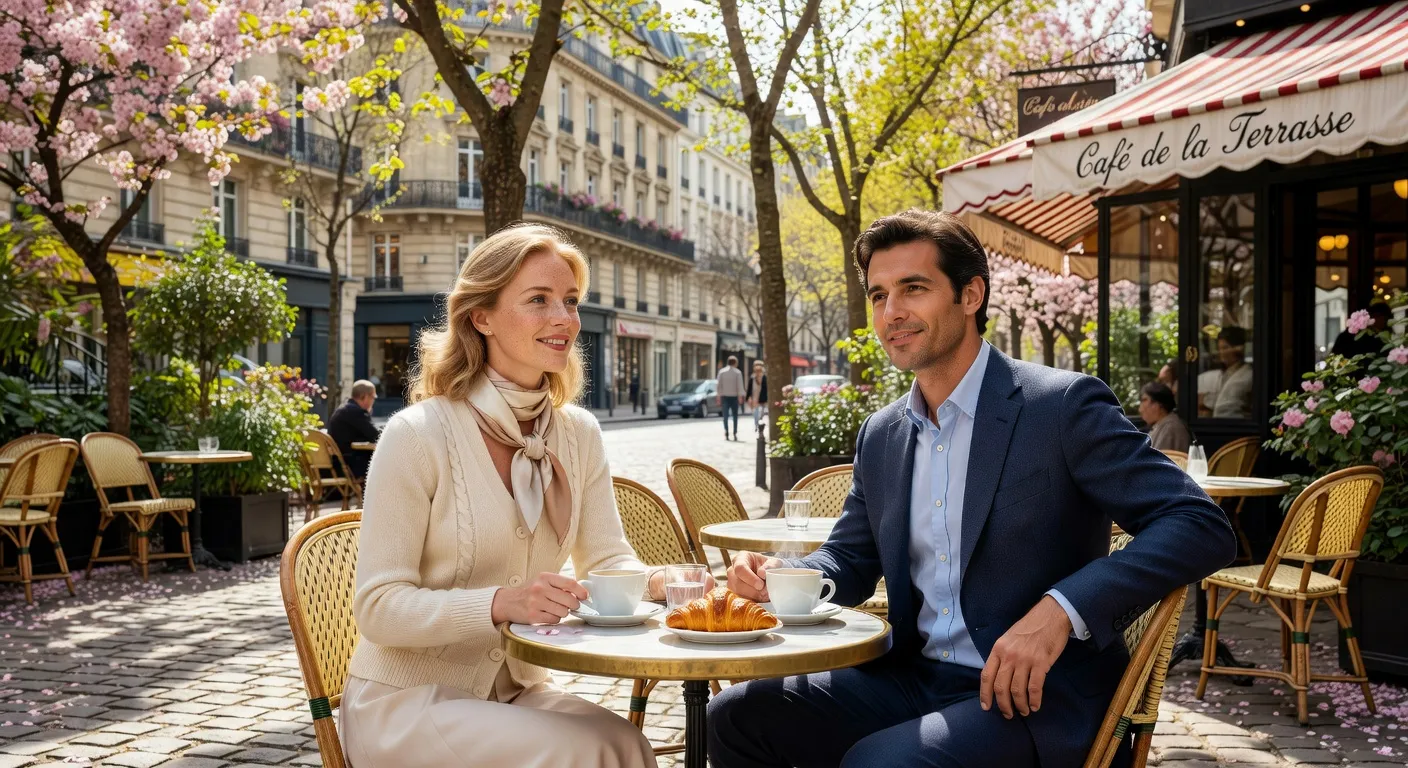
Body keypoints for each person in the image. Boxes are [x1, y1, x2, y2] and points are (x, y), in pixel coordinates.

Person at [709, 209, 1235, 768]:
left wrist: (1059, 611)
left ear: (970, 295)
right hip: (911, 675)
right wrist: (786, 581)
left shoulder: (1060, 407)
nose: (893, 312)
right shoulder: (883, 433)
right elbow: (851, 559)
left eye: (914, 288)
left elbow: (1199, 524)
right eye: (880, 294)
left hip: (1033, 697)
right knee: (736, 716)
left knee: (881, 763)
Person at [344, 223, 666, 768]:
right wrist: (498, 603)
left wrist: (664, 581)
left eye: (569, 301)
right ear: (481, 315)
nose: (563, 319)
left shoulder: (577, 433)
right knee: (585, 752)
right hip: (405, 703)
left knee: (627, 744)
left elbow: (608, 558)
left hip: (511, 692)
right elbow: (378, 608)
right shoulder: (417, 434)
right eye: (538, 300)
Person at [327, 379, 381, 478]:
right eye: (373, 397)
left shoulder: (343, 409)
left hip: (337, 464)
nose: (373, 401)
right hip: (351, 466)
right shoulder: (355, 412)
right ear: (364, 396)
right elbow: (376, 435)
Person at [1211, 326, 1253, 419]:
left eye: (1225, 348)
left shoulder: (1248, 375)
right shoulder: (1227, 373)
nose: (1221, 352)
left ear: (1239, 349)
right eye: (1220, 348)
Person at [1138, 382, 1190, 453]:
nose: (1140, 409)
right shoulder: (1161, 425)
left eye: (1144, 400)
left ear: (1159, 404)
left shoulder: (1170, 428)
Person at [717, 355, 745, 441]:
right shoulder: (738, 372)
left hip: (725, 397)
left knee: (725, 416)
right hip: (734, 397)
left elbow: (719, 385)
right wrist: (740, 396)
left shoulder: (722, 372)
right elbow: (740, 386)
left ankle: (726, 431)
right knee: (735, 416)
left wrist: (718, 396)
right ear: (735, 363)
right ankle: (735, 432)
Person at [746, 360, 768, 436]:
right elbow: (749, 388)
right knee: (756, 413)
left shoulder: (764, 377)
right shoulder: (752, 377)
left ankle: (759, 424)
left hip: (761, 398)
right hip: (755, 398)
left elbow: (766, 389)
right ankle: (757, 425)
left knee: (761, 413)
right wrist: (748, 397)